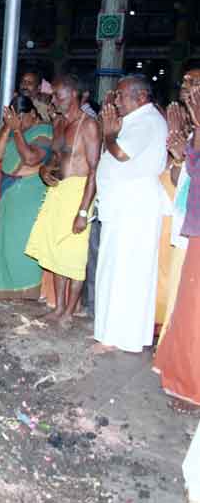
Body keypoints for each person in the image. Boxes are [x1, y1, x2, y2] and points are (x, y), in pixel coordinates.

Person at [93, 75, 167, 353]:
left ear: (140, 97)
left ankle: (119, 337)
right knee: (114, 271)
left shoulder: (148, 121)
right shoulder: (135, 120)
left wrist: (109, 134)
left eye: (121, 95)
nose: (115, 100)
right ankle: (110, 333)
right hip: (122, 208)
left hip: (135, 209)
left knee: (127, 274)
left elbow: (122, 153)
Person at [25, 75, 100, 323]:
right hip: (58, 191)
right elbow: (56, 159)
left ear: (75, 95)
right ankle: (58, 307)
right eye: (54, 96)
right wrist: (45, 169)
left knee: (74, 255)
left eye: (59, 96)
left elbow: (94, 170)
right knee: (55, 251)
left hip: (80, 192)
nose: (54, 100)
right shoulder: (58, 124)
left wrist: (82, 212)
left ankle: (69, 312)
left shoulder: (88, 125)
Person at [153, 76, 200, 413]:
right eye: (184, 85)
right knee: (182, 305)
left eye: (195, 85)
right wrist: (182, 156)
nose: (188, 90)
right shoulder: (193, 130)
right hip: (188, 225)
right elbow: (180, 178)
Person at [0, 95, 53, 298]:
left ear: (33, 113)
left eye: (22, 118)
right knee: (4, 244)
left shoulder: (44, 130)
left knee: (21, 243)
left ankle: (27, 292)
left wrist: (15, 130)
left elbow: (31, 158)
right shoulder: (15, 131)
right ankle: (5, 289)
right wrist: (7, 128)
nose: (19, 122)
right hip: (10, 193)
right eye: (15, 118)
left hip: (30, 194)